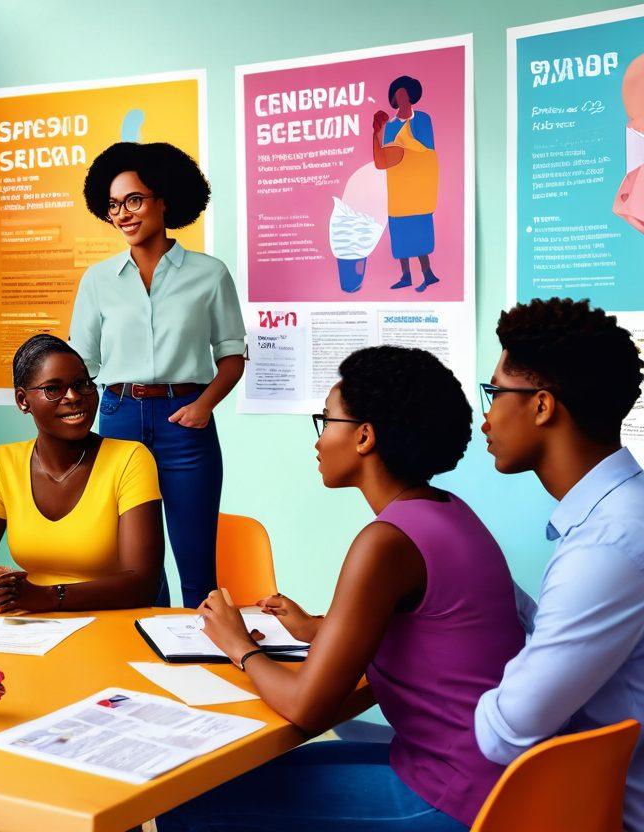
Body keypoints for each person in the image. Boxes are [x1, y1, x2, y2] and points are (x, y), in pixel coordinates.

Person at [160, 346, 525, 831]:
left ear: (364, 437)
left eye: (327, 420)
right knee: (209, 778)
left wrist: (238, 644)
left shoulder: (386, 542)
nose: (317, 439)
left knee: (185, 804)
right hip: (489, 775)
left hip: (456, 797)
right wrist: (316, 628)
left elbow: (308, 709)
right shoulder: (447, 511)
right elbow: (431, 632)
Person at [475, 298, 644, 831]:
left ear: (542, 405)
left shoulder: (610, 542)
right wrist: (488, 592)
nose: (487, 414)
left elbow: (505, 733)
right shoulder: (620, 512)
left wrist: (451, 677)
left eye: (496, 391)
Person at [70, 141, 245, 608]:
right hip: (119, 419)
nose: (122, 214)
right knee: (135, 563)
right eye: (113, 205)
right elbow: (82, 365)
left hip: (184, 419)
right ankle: (151, 648)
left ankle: (207, 656)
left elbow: (231, 356)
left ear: (163, 199)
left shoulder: (209, 275)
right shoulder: (98, 280)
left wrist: (202, 407)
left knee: (195, 559)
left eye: (134, 200)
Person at [0, 334, 162, 613]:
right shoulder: (5, 462)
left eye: (82, 384)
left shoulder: (130, 459)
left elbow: (143, 584)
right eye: (53, 389)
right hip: (31, 625)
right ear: (23, 401)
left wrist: (49, 597)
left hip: (109, 623)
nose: (73, 397)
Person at [373, 75, 441, 292]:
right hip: (399, 189)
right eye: (397, 95)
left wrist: (403, 143)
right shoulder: (391, 126)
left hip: (419, 190)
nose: (402, 99)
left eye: (405, 94)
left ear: (412, 96)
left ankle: (428, 274)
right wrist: (379, 133)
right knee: (401, 234)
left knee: (420, 233)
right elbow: (386, 156)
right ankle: (406, 276)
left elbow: (425, 147)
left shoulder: (423, 119)